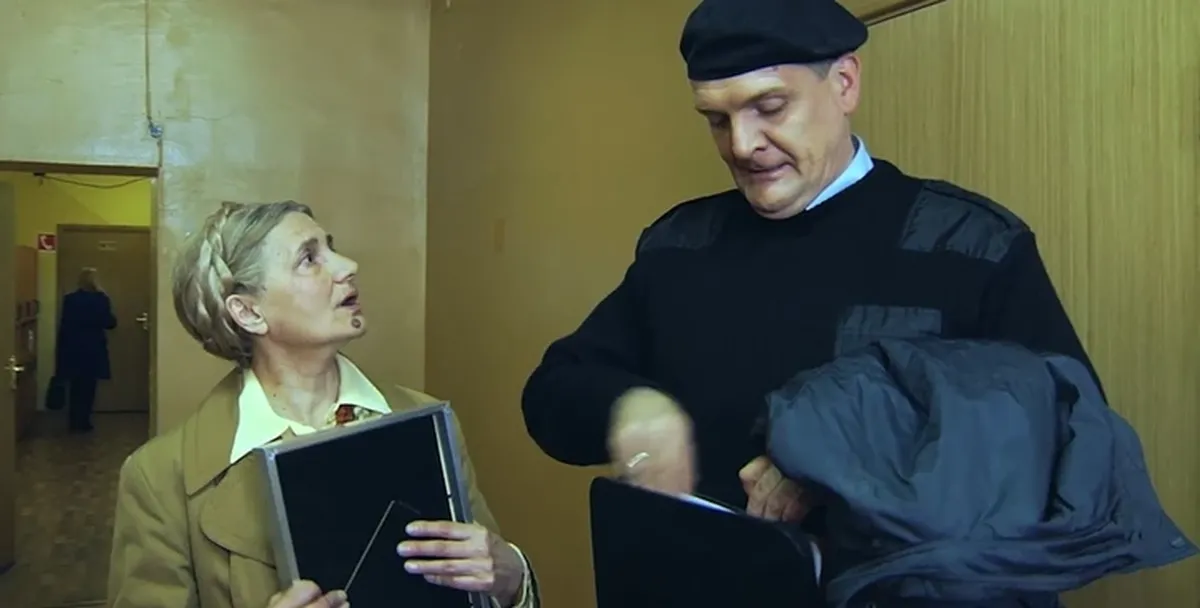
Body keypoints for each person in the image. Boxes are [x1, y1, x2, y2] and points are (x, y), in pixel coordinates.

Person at [522, 0, 1100, 531]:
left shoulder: (971, 246)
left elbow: (1068, 444)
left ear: (844, 83)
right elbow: (553, 394)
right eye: (717, 119)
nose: (742, 145)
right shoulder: (679, 246)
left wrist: (840, 456)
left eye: (769, 107)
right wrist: (627, 409)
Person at [108, 201, 539, 608]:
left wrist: (514, 580)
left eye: (331, 248)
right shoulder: (159, 478)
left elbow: (482, 582)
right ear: (249, 312)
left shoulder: (427, 422)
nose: (348, 266)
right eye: (309, 258)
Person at [55, 266, 117, 432]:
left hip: (73, 348)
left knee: (75, 387)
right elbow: (109, 323)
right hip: (93, 348)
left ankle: (73, 421)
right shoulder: (101, 299)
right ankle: (84, 422)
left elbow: (65, 326)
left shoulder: (70, 299)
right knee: (89, 387)